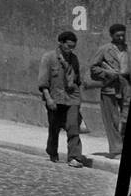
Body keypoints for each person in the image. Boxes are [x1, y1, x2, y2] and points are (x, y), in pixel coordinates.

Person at [39, 30, 92, 167]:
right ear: (61, 43)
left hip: (72, 98)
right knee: (54, 128)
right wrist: (49, 99)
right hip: (54, 98)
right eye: (68, 46)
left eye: (73, 46)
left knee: (73, 127)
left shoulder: (74, 59)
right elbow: (43, 82)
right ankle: (52, 151)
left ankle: (74, 157)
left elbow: (77, 80)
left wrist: (79, 99)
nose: (71, 49)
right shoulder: (48, 58)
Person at [90, 23, 129, 157]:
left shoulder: (128, 49)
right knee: (112, 120)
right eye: (118, 35)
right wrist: (108, 73)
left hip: (127, 87)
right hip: (110, 87)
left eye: (123, 35)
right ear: (112, 36)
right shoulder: (104, 50)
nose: (121, 37)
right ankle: (117, 149)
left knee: (125, 118)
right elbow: (93, 67)